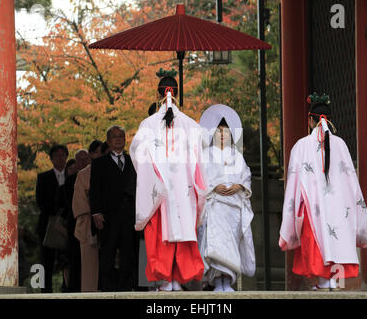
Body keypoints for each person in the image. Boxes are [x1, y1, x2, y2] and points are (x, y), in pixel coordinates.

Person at [279, 93, 367, 291]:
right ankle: (334, 282)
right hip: (340, 207)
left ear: (310, 120)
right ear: (329, 121)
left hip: (313, 208)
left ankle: (322, 283)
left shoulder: (301, 146)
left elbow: (294, 184)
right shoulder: (341, 145)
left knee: (317, 239)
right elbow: (351, 181)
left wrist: (292, 212)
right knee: (337, 237)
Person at [130, 70, 206, 292]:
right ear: (177, 94)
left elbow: (136, 154)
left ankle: (165, 280)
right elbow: (199, 162)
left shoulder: (148, 124)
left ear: (158, 95)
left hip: (159, 189)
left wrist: (155, 178)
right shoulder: (192, 126)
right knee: (181, 228)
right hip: (184, 189)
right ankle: (178, 278)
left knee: (161, 234)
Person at [197, 105, 256, 292]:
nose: (222, 134)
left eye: (226, 131)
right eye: (219, 131)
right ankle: (217, 281)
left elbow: (246, 176)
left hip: (233, 208)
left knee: (231, 244)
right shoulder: (205, 155)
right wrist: (214, 187)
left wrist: (240, 186)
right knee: (215, 244)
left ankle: (227, 281)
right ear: (213, 133)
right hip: (215, 207)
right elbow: (200, 180)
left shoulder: (237, 156)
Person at [90, 126, 138, 292]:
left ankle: (126, 285)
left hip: (129, 214)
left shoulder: (133, 161)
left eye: (121, 136)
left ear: (125, 140)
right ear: (108, 141)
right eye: (114, 137)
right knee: (108, 251)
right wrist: (96, 212)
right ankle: (107, 287)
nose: (118, 139)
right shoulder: (98, 163)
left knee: (128, 251)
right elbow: (94, 190)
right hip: (108, 214)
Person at [72, 141, 110, 292]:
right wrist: (95, 213)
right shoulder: (83, 174)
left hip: (111, 220)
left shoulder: (112, 170)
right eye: (98, 153)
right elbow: (79, 202)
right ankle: (89, 292)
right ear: (92, 155)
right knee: (89, 263)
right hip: (89, 222)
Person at [35, 144, 69, 293]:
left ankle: (67, 288)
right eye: (57, 155)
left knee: (67, 259)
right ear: (51, 158)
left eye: (63, 155)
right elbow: (40, 200)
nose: (60, 158)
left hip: (67, 223)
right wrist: (52, 214)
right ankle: (45, 290)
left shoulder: (72, 175)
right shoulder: (43, 177)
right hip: (48, 223)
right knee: (46, 259)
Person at [62, 149, 91, 292]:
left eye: (86, 159)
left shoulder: (94, 175)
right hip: (76, 222)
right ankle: (73, 287)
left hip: (92, 222)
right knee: (75, 257)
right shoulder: (70, 180)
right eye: (80, 160)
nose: (83, 162)